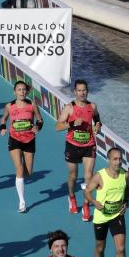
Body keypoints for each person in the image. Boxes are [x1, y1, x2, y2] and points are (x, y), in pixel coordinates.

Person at [84, 147, 129, 257]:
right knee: (100, 248)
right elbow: (87, 191)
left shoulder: (125, 175)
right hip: (101, 217)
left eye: (120, 159)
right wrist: (93, 202)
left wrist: (126, 202)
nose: (118, 162)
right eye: (115, 159)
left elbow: (128, 188)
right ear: (109, 160)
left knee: (121, 248)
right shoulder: (100, 176)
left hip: (117, 216)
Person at [56, 79, 101, 221]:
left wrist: (98, 126)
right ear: (75, 92)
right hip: (72, 145)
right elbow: (57, 126)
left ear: (87, 91)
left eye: (84, 90)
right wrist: (72, 124)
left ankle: (86, 206)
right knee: (73, 176)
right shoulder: (69, 108)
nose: (82, 93)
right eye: (79, 90)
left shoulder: (92, 106)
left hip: (89, 145)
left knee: (88, 176)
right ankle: (72, 197)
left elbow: (97, 119)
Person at [0, 80, 43, 213]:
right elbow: (3, 120)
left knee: (28, 172)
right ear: (14, 92)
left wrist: (37, 127)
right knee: (19, 169)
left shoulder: (32, 105)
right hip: (14, 140)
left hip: (29, 140)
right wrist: (2, 128)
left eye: (24, 90)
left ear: (27, 91)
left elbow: (40, 120)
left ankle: (20, 179)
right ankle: (22, 202)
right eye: (19, 90)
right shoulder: (9, 106)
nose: (22, 92)